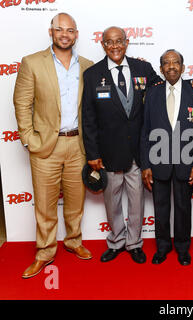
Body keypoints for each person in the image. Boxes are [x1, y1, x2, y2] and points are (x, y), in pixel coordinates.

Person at [13, 13, 93, 279]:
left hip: (78, 144)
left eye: (70, 30)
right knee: (45, 205)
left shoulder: (88, 66)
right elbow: (22, 103)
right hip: (46, 146)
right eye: (60, 29)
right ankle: (45, 251)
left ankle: (73, 241)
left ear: (76, 34)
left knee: (75, 201)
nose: (65, 34)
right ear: (51, 32)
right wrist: (28, 138)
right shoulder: (32, 62)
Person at [82, 26, 163, 263]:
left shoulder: (143, 68)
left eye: (119, 41)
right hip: (108, 153)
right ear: (103, 45)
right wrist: (92, 152)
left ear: (126, 43)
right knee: (112, 201)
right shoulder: (93, 74)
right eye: (109, 42)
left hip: (138, 151)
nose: (115, 46)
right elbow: (88, 117)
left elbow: (166, 88)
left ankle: (135, 243)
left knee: (137, 201)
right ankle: (116, 241)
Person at [140, 49, 193, 266]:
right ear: (161, 69)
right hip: (158, 162)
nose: (171, 66)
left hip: (186, 161)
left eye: (176, 62)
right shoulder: (153, 94)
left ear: (183, 67)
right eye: (166, 63)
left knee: (183, 207)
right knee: (161, 207)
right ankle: (163, 247)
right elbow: (146, 131)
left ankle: (183, 248)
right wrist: (145, 165)